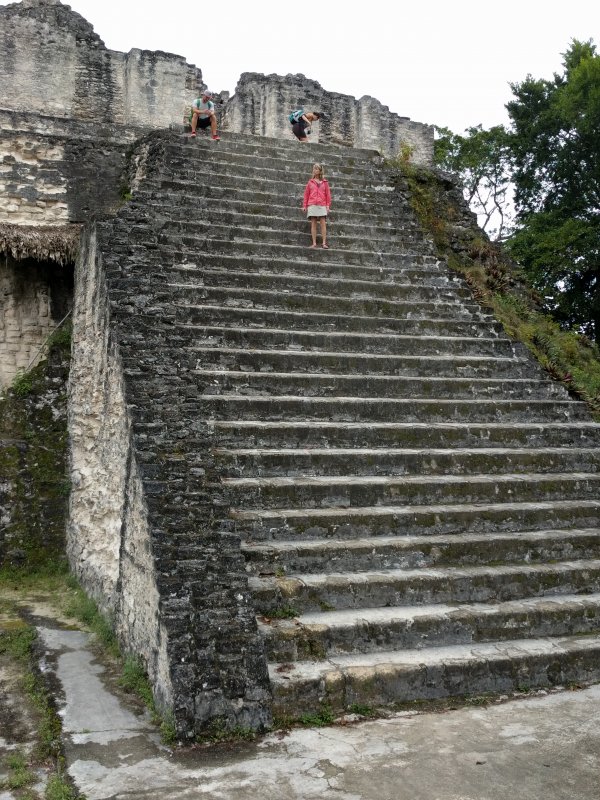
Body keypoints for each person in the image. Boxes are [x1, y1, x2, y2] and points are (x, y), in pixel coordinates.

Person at [302, 163, 331, 248]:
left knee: (323, 223)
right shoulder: (310, 182)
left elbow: (328, 195)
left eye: (317, 169)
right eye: (314, 169)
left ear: (320, 171)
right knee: (313, 223)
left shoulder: (325, 182)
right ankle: (314, 243)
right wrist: (304, 206)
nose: (315, 170)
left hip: (322, 204)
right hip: (312, 204)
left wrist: (328, 205)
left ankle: (324, 243)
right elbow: (306, 195)